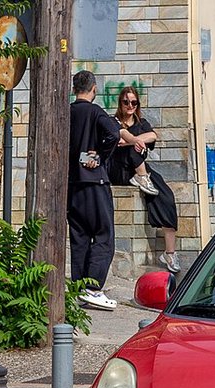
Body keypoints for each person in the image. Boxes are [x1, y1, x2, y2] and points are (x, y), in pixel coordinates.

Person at [107, 86, 181, 273]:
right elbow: (113, 140)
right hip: (118, 169)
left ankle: (169, 253)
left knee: (166, 196)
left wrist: (134, 139)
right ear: (120, 103)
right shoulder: (112, 121)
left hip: (138, 166)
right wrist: (134, 141)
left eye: (134, 102)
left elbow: (153, 135)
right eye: (126, 102)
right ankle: (142, 177)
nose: (130, 105)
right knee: (136, 147)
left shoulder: (141, 123)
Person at [68, 69, 121, 310]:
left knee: (78, 236)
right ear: (94, 88)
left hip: (72, 184)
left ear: (73, 89)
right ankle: (93, 288)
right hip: (94, 181)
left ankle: (79, 287)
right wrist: (100, 155)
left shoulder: (66, 112)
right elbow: (113, 133)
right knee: (103, 234)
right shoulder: (95, 112)